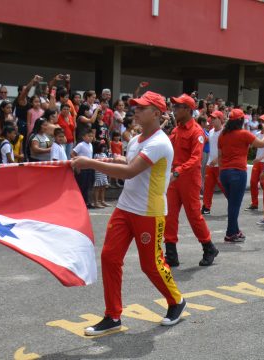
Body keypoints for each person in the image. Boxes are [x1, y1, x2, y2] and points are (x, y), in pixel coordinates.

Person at [71, 91, 187, 336]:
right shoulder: (136, 140)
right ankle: (113, 316)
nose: (136, 110)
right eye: (135, 106)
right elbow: (128, 163)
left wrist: (89, 162)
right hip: (125, 208)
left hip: (149, 212)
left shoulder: (160, 142)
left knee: (151, 265)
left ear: (156, 114)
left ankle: (176, 301)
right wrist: (115, 158)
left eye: (142, 107)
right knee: (109, 257)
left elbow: (130, 172)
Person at [163, 94, 218, 267]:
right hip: (174, 178)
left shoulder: (197, 131)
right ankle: (171, 254)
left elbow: (196, 158)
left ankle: (209, 247)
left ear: (188, 109)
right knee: (169, 216)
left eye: (178, 107)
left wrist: (178, 171)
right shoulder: (175, 130)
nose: (174, 110)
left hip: (187, 178)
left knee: (194, 215)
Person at [217, 108, 264, 242]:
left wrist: (222, 171)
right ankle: (230, 233)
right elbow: (262, 143)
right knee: (234, 205)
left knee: (232, 204)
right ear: (240, 121)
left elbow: (220, 156)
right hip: (238, 173)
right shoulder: (244, 134)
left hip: (224, 173)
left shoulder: (222, 135)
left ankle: (235, 230)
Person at [201, 111, 225, 215]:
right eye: (211, 118)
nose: (212, 120)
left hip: (220, 165)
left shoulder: (225, 132)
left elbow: (227, 149)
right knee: (208, 187)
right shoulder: (210, 132)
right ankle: (206, 207)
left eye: (214, 118)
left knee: (224, 187)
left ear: (220, 119)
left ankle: (233, 202)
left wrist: (217, 159)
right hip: (210, 164)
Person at [247, 115, 264, 210]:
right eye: (260, 121)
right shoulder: (257, 133)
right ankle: (254, 203)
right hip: (257, 161)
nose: (261, 123)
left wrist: (259, 158)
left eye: (263, 121)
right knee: (253, 182)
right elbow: (251, 145)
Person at [71, 127, 95, 207]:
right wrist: (77, 166)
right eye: (88, 136)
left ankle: (87, 201)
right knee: (82, 186)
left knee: (88, 186)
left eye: (91, 136)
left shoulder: (91, 145)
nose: (90, 138)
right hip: (82, 168)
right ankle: (80, 202)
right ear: (83, 137)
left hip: (89, 168)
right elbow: (73, 153)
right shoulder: (80, 145)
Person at [90, 139, 109, 207]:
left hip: (104, 172)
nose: (104, 148)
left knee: (103, 187)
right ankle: (96, 202)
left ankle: (102, 201)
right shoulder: (96, 155)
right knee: (97, 187)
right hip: (98, 172)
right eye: (102, 147)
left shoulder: (104, 154)